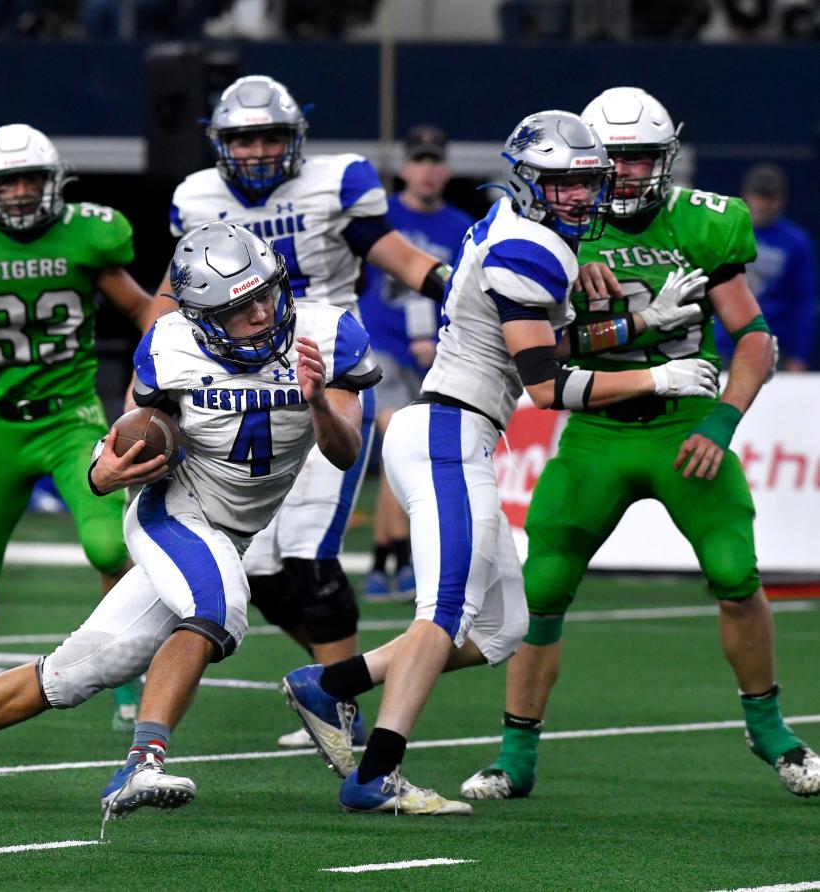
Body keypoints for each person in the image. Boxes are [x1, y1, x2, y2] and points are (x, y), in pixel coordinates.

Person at [0, 222, 380, 833]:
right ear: (201, 313)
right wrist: (100, 473)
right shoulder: (170, 344)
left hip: (234, 531)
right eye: (240, 308)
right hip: (175, 513)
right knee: (219, 606)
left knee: (73, 673)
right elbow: (132, 439)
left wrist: (317, 400)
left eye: (267, 294)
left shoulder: (330, 333)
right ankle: (142, 762)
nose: (263, 314)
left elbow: (345, 454)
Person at [283, 110, 723, 815]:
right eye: (562, 183)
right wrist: (655, 377)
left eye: (588, 181)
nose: (580, 196)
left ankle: (329, 685)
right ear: (528, 182)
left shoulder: (523, 234)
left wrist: (649, 323)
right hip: (447, 435)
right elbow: (550, 386)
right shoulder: (530, 247)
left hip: (461, 437)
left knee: (500, 630)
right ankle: (376, 775)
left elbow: (552, 341)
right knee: (443, 612)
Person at [461, 88, 820, 802]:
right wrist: (579, 296)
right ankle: (515, 754)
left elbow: (754, 339)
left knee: (735, 571)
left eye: (641, 159)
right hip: (594, 430)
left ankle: (770, 728)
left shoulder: (703, 223)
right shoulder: (549, 228)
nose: (626, 173)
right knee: (541, 588)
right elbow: (542, 352)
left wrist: (721, 422)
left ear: (668, 159)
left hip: (684, 425)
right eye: (614, 158)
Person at [158, 75, 450, 748]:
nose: (258, 151)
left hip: (323, 371)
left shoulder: (337, 180)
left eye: (270, 137)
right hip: (237, 386)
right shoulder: (196, 197)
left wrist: (453, 283)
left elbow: (395, 253)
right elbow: (173, 292)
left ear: (296, 139)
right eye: (243, 138)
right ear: (219, 143)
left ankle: (340, 702)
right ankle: (334, 680)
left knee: (311, 558)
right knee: (259, 573)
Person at [0, 124, 155, 730]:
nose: (18, 192)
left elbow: (147, 308)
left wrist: (145, 383)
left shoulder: (88, 235)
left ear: (55, 183)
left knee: (108, 545)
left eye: (29, 179)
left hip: (72, 420)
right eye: (5, 181)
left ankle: (124, 674)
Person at [357, 124, 473, 603]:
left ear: (446, 169)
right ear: (405, 168)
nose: (427, 170)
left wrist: (441, 334)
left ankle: (388, 558)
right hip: (381, 349)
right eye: (419, 160)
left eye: (435, 161)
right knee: (396, 448)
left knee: (404, 454)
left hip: (432, 356)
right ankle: (395, 558)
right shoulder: (379, 215)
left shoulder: (460, 225)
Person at [715, 163, 815, 371]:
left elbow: (804, 301)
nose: (762, 206)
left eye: (769, 200)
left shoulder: (796, 242)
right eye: (758, 198)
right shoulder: (723, 233)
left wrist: (800, 354)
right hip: (723, 344)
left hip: (773, 345)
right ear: (745, 195)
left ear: (781, 200)